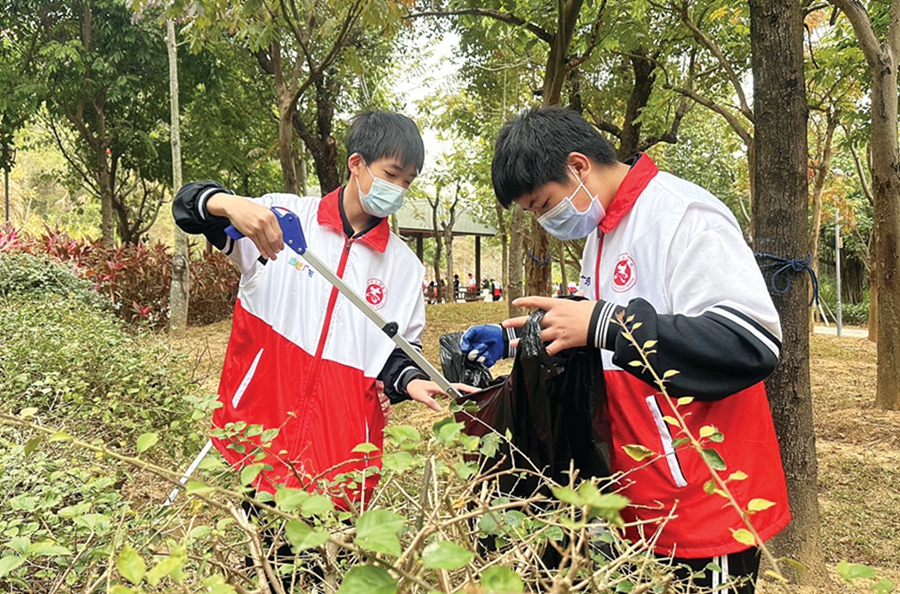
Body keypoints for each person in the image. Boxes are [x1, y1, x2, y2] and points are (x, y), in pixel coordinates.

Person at [460, 107, 789, 593]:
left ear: (578, 166)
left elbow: (750, 340)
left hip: (705, 504)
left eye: (543, 204)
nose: (545, 220)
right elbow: (601, 335)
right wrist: (516, 339)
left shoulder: (683, 215)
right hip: (639, 502)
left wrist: (604, 321)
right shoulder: (602, 234)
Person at [174, 111, 473, 582]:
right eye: (392, 174)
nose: (398, 189)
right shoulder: (280, 218)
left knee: (318, 570)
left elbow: (395, 354)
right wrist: (227, 204)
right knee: (263, 562)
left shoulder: (404, 268)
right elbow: (188, 208)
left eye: (408, 182)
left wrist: (410, 381)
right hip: (261, 429)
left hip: (341, 448)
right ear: (357, 164)